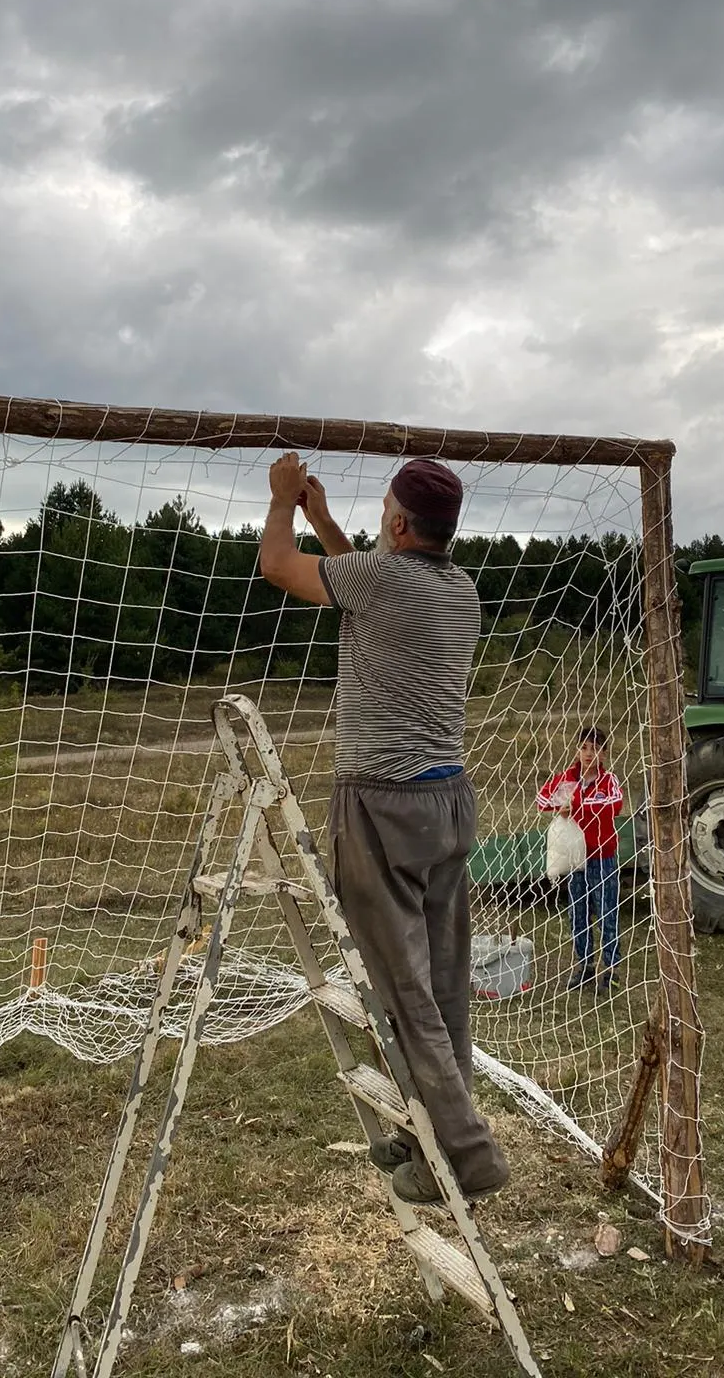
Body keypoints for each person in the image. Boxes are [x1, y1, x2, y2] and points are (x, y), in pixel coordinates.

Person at [259, 451, 509, 1206]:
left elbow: (277, 565)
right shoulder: (456, 587)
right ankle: (427, 1125)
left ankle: (464, 1156)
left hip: (381, 806)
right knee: (442, 986)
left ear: (398, 524)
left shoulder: (381, 579)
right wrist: (326, 521)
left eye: (381, 514)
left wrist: (281, 504)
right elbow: (360, 581)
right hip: (447, 802)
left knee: (403, 994)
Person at [537, 726, 623, 994]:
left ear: (604, 753)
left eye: (595, 748)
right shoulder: (567, 779)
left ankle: (611, 970)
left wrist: (580, 806)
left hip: (602, 857)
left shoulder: (608, 781)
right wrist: (559, 806)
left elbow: (614, 805)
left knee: (607, 912)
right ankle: (584, 967)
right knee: (578, 915)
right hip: (576, 860)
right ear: (577, 750)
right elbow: (541, 800)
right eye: (584, 747)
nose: (589, 753)